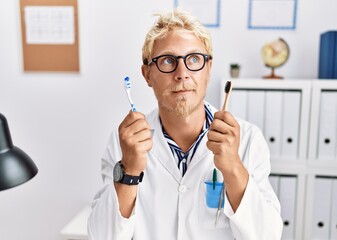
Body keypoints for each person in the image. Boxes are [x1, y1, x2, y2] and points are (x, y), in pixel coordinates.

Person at [87, 8, 283, 240]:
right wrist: (129, 170)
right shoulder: (125, 142)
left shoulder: (248, 139)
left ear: (208, 69)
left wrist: (233, 168)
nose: (182, 73)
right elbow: (101, 236)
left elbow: (267, 236)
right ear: (147, 74)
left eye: (194, 59)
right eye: (168, 61)